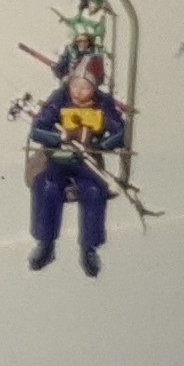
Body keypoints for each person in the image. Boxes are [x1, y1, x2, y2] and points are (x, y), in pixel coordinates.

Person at [28, 74, 125, 277]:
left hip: (87, 161)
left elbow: (119, 132)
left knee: (94, 190)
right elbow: (37, 130)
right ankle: (45, 243)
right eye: (75, 86)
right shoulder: (59, 98)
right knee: (47, 186)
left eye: (85, 88)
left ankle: (89, 248)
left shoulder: (102, 104)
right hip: (58, 158)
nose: (78, 92)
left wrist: (99, 145)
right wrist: (58, 137)